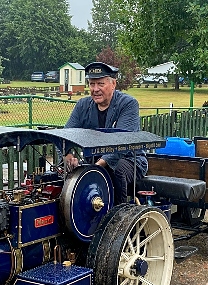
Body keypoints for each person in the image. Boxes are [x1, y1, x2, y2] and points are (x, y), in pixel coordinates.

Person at [63, 62, 147, 205]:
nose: (95, 89)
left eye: (100, 84)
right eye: (91, 84)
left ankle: (118, 217)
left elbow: (122, 143)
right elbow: (66, 135)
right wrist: (68, 155)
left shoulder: (128, 104)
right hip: (93, 161)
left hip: (130, 159)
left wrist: (95, 168)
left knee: (116, 169)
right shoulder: (82, 105)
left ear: (113, 84)